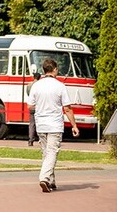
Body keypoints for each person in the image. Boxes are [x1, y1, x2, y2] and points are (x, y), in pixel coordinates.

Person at [27, 59, 79, 192]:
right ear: (55, 69)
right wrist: (74, 125)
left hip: (41, 124)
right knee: (52, 153)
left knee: (46, 153)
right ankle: (44, 178)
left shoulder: (36, 86)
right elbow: (67, 108)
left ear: (44, 70)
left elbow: (30, 105)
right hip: (55, 124)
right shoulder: (60, 86)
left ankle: (51, 181)